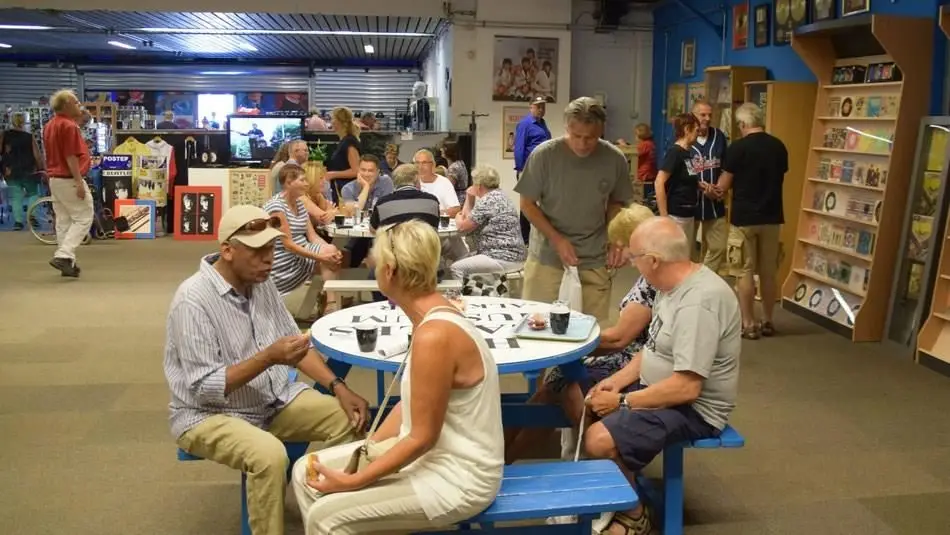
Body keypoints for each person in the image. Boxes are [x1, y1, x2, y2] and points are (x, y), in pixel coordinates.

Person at [165, 204, 370, 535]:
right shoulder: (193, 300)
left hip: (271, 399)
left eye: (271, 248)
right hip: (206, 414)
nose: (269, 259)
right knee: (269, 457)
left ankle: (326, 519)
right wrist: (269, 357)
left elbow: (294, 345)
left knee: (352, 419)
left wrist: (339, 387)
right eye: (257, 251)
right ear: (228, 251)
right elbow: (205, 387)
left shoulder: (261, 283)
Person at [290, 219, 504, 535]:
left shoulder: (434, 335)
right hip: (435, 458)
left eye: (373, 261)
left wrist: (355, 480)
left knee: (327, 516)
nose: (368, 265)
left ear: (389, 272)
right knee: (303, 472)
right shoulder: (432, 318)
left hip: (458, 477)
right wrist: (364, 452)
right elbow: (413, 404)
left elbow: (422, 438)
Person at [583, 216, 741, 535]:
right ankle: (615, 485)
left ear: (654, 260)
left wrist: (623, 401)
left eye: (634, 258)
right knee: (584, 394)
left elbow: (687, 388)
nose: (633, 265)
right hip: (666, 390)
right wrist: (619, 379)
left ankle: (634, 514)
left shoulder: (698, 302)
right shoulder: (671, 286)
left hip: (695, 410)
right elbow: (655, 348)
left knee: (598, 440)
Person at [505, 204, 656, 464]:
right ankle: (506, 459)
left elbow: (620, 339)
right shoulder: (648, 276)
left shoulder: (652, 282)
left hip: (630, 363)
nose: (621, 253)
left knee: (558, 386)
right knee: (549, 389)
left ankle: (507, 460)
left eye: (622, 246)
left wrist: (565, 340)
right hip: (629, 358)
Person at [514, 96, 633, 325]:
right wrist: (557, 239)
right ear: (566, 127)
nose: (582, 144)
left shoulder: (614, 159)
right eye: (576, 136)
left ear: (601, 130)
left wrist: (616, 239)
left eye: (590, 138)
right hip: (548, 256)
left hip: (593, 256)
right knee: (537, 325)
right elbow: (527, 204)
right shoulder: (544, 155)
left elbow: (616, 203)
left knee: (590, 329)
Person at [714, 103, 788, 339]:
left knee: (743, 271)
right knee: (768, 271)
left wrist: (711, 189)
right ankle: (768, 320)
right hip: (773, 216)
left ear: (743, 124)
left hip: (744, 218)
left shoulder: (738, 148)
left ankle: (749, 323)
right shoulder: (779, 146)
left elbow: (723, 186)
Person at [264, 165, 344, 311]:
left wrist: (330, 252)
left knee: (332, 253)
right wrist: (321, 257)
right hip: (283, 259)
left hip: (302, 253)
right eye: (302, 180)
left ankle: (330, 302)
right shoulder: (277, 207)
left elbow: (312, 236)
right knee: (328, 257)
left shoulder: (299, 203)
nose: (307, 183)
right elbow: (288, 245)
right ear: (288, 182)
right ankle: (330, 304)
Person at [43, 89, 92, 278]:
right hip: (68, 178)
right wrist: (79, 181)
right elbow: (70, 156)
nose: (79, 104)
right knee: (84, 217)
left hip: (54, 179)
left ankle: (68, 261)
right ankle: (64, 255)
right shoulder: (69, 126)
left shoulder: (50, 125)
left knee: (63, 220)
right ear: (66, 105)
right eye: (76, 102)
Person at [451, 165, 526, 279]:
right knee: (462, 258)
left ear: (479, 186)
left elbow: (462, 227)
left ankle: (464, 297)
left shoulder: (487, 201)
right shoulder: (501, 196)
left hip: (501, 257)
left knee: (456, 268)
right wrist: (470, 197)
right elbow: (469, 218)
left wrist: (457, 216)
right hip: (513, 255)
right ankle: (476, 292)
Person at [691, 100, 729, 273]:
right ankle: (687, 285)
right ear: (693, 115)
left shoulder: (719, 136)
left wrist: (721, 187)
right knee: (687, 250)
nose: (707, 118)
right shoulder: (684, 137)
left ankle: (703, 280)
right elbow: (679, 169)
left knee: (718, 247)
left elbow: (727, 167)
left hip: (715, 201)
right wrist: (698, 185)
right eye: (702, 114)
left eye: (709, 115)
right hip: (691, 202)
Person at [339, 154, 395, 267]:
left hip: (380, 231)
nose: (366, 174)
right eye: (363, 170)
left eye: (371, 171)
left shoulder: (386, 182)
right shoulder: (348, 188)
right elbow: (354, 212)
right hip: (357, 234)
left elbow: (386, 210)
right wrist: (366, 187)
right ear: (358, 170)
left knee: (378, 247)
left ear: (378, 172)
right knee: (357, 246)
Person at [655, 113, 701, 246]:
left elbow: (686, 178)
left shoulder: (688, 153)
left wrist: (699, 185)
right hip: (676, 215)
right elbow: (659, 182)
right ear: (687, 129)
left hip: (688, 214)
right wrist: (664, 216)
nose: (698, 134)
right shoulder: (675, 153)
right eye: (696, 130)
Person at [514, 96, 552, 244]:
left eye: (543, 106)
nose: (541, 109)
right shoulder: (525, 124)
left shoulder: (543, 124)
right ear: (531, 107)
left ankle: (539, 235)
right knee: (527, 202)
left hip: (543, 169)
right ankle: (524, 238)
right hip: (529, 169)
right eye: (538, 106)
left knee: (541, 202)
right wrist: (521, 169)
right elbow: (519, 147)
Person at [0, 112, 44, 230]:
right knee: (33, 194)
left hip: (10, 170)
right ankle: (32, 217)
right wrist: (42, 169)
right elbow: (37, 155)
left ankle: (18, 222)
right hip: (29, 170)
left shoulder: (4, 135)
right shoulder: (29, 137)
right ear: (24, 122)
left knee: (16, 196)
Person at [369, 164, 439, 232]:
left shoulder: (383, 203)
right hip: (425, 243)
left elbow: (373, 229)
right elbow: (435, 228)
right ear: (416, 178)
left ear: (394, 182)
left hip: (394, 243)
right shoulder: (432, 201)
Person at [324, 107, 361, 204]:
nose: (331, 122)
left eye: (333, 119)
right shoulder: (343, 141)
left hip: (347, 191)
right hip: (340, 188)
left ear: (339, 121)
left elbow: (356, 170)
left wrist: (332, 174)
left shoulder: (349, 142)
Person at [412, 149, 460, 217]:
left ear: (433, 165)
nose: (420, 167)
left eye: (424, 163)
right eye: (417, 163)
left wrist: (431, 214)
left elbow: (455, 210)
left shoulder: (444, 182)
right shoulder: (410, 182)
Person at [634, 124, 657, 204]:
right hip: (649, 176)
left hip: (644, 176)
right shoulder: (650, 144)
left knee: (642, 201)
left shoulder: (645, 144)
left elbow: (634, 153)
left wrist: (623, 146)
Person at [441, 139, 469, 205]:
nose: (441, 149)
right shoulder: (460, 163)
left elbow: (449, 187)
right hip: (462, 198)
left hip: (457, 200)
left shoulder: (454, 167)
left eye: (444, 148)